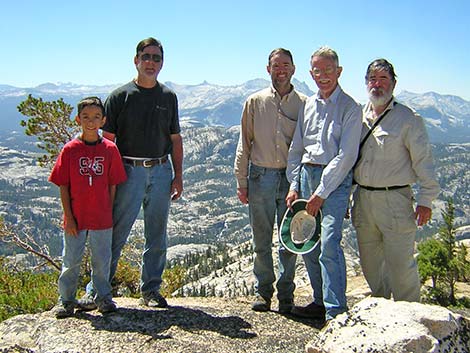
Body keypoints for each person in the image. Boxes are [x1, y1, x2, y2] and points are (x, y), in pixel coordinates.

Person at [81, 37, 183, 309]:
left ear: (162, 63)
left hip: (161, 170)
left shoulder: (168, 97)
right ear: (136, 60)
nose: (151, 63)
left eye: (156, 58)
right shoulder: (119, 96)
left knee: (157, 234)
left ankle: (150, 290)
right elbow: (108, 141)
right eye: (146, 57)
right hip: (127, 171)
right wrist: (107, 179)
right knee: (115, 233)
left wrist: (178, 175)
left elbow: (175, 139)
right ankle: (98, 291)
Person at [351, 59, 440, 302]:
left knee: (401, 268)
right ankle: (381, 319)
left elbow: (424, 162)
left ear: (394, 84)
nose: (377, 85)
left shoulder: (409, 119)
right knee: (370, 265)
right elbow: (348, 160)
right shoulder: (357, 116)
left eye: (383, 79)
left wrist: (426, 200)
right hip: (363, 199)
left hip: (395, 199)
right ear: (366, 82)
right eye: (372, 79)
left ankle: (412, 320)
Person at [286, 46, 362, 322]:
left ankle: (336, 310)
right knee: (308, 242)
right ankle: (320, 301)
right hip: (307, 175)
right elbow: (297, 148)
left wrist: (320, 193)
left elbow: (347, 156)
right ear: (311, 73)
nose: (323, 76)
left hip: (336, 181)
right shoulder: (308, 105)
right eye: (318, 71)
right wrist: (294, 184)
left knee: (329, 242)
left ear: (339, 71)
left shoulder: (350, 108)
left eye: (329, 70)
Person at [234, 48, 307, 313]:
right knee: (261, 240)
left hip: (290, 179)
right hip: (260, 176)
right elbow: (244, 143)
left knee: (290, 240)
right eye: (276, 66)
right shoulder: (255, 102)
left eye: (285, 65)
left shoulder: (304, 104)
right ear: (268, 69)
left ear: (293, 69)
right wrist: (241, 181)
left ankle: (286, 295)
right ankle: (263, 293)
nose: (281, 70)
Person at [49, 96, 127, 318]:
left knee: (102, 260)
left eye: (95, 117)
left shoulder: (110, 149)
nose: (91, 121)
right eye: (85, 117)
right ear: (78, 119)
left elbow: (113, 184)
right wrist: (69, 217)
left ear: (103, 120)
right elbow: (63, 185)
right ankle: (66, 300)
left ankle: (102, 298)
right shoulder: (70, 149)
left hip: (102, 217)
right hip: (76, 217)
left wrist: (108, 211)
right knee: (71, 261)